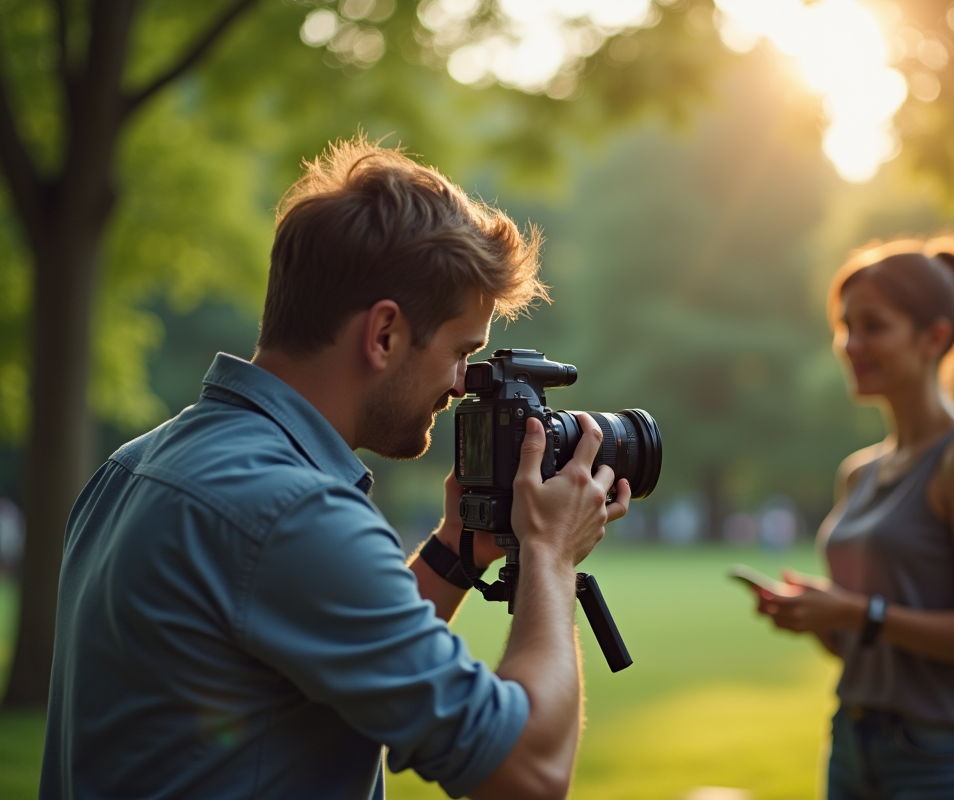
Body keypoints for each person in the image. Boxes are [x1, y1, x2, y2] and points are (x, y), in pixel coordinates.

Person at [39, 138, 631, 800]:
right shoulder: (292, 511)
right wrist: (550, 553)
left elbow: (337, 647)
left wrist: (455, 551)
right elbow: (528, 772)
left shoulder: (132, 468)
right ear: (384, 334)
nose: (464, 383)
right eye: (462, 351)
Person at [750, 236, 954, 800]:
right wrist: (821, 618)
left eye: (873, 326)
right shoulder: (858, 473)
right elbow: (865, 639)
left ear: (935, 337)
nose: (851, 345)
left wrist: (856, 611)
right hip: (853, 741)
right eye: (845, 327)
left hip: (945, 757)